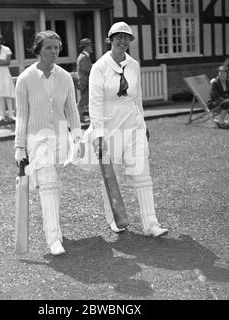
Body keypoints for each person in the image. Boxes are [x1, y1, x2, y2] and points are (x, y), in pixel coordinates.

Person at [88, 21, 168, 237]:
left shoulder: (133, 65)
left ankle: (151, 224)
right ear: (110, 39)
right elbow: (94, 103)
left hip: (133, 123)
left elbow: (137, 98)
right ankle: (115, 219)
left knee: (142, 174)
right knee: (109, 175)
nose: (122, 41)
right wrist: (98, 134)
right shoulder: (99, 67)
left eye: (126, 37)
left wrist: (144, 124)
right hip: (109, 125)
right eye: (118, 37)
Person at [14, 31, 82, 255]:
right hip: (37, 138)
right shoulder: (25, 79)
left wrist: (77, 137)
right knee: (48, 182)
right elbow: (22, 115)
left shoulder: (64, 77)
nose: (54, 52)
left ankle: (55, 229)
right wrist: (19, 147)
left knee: (53, 184)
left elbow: (71, 110)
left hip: (61, 137)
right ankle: (54, 238)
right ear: (38, 51)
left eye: (57, 47)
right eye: (48, 48)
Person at [76, 38, 93, 122]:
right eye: (90, 46)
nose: (91, 48)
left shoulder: (84, 56)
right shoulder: (84, 57)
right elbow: (87, 69)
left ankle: (81, 118)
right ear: (86, 47)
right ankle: (79, 118)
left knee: (85, 100)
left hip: (85, 82)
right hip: (85, 82)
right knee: (83, 101)